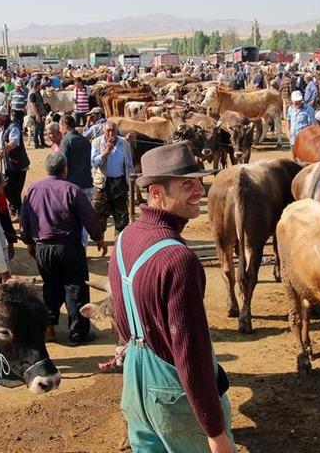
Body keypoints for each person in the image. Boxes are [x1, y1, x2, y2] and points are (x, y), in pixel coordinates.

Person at [109, 142, 235, 453]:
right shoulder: (179, 260)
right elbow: (191, 355)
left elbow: (123, 320)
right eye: (186, 184)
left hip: (135, 385)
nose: (200, 191)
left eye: (199, 181)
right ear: (156, 193)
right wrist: (216, 433)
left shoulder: (124, 236)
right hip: (175, 395)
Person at [20, 152, 106, 344]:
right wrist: (99, 237)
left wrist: (29, 243)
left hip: (44, 248)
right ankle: (78, 334)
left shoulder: (32, 190)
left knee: (50, 286)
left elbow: (24, 221)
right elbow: (89, 217)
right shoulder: (73, 190)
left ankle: (48, 326)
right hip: (70, 247)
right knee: (76, 289)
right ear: (65, 169)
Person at [90, 121, 134, 236]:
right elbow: (94, 162)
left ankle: (118, 244)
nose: (111, 133)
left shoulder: (124, 142)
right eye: (108, 130)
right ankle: (100, 240)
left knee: (122, 218)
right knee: (97, 216)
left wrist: (130, 181)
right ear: (103, 131)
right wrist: (107, 151)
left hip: (119, 183)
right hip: (103, 184)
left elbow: (129, 164)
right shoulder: (97, 142)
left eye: (113, 130)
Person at [0, 105, 30, 218]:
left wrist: (3, 150)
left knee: (11, 190)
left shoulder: (13, 127)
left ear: (3, 117)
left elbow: (14, 142)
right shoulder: (1, 128)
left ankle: (19, 212)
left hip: (16, 166)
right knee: (7, 189)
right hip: (6, 165)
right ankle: (17, 211)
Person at [27, 81, 48, 148]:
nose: (40, 87)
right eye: (39, 85)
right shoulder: (32, 94)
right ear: (37, 85)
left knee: (41, 129)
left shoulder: (37, 92)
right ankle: (36, 143)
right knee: (37, 129)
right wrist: (37, 115)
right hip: (35, 115)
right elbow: (33, 105)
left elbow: (41, 103)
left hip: (40, 113)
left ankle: (42, 142)